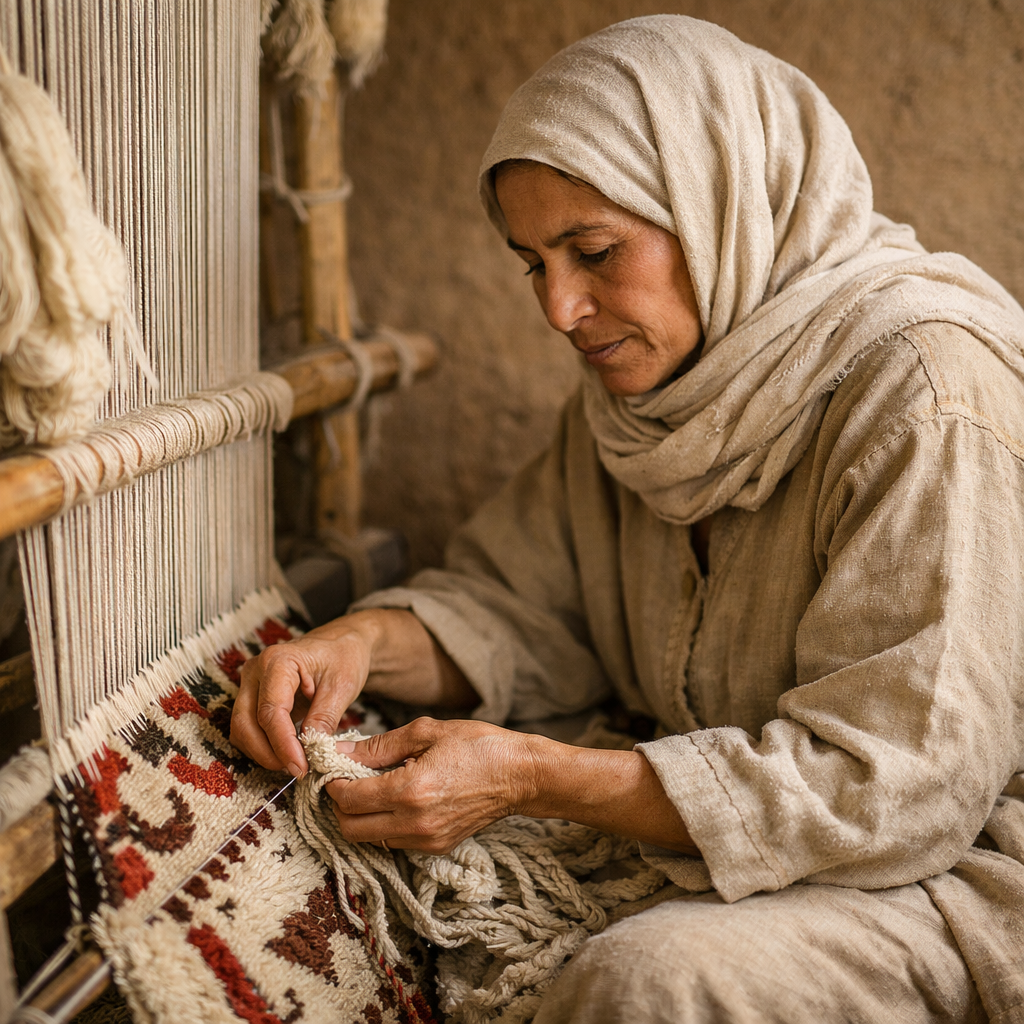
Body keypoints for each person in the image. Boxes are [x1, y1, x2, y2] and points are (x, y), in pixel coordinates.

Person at [232, 16, 1024, 1023]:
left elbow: (898, 790)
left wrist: (529, 775)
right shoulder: (641, 405)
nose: (560, 308)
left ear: (719, 201)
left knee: (651, 986)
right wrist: (358, 645)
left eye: (595, 251)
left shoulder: (922, 390)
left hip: (955, 869)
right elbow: (516, 603)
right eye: (533, 263)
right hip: (812, 852)